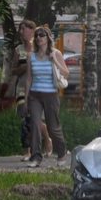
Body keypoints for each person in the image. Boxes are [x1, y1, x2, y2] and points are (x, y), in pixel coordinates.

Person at [25, 26, 69, 168]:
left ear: (48, 37)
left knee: (53, 127)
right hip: (35, 95)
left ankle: (61, 152)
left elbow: (65, 72)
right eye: (36, 35)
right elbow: (29, 78)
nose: (38, 38)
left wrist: (54, 60)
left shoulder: (56, 53)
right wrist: (26, 98)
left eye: (42, 35)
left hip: (51, 95)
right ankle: (36, 156)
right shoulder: (31, 56)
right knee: (35, 125)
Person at [11, 19, 52, 162]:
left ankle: (46, 139)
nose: (21, 32)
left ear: (31, 31)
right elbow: (13, 70)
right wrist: (22, 68)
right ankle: (27, 150)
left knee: (35, 119)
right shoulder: (18, 50)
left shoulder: (39, 48)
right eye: (20, 29)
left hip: (39, 88)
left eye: (24, 29)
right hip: (22, 88)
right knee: (26, 117)